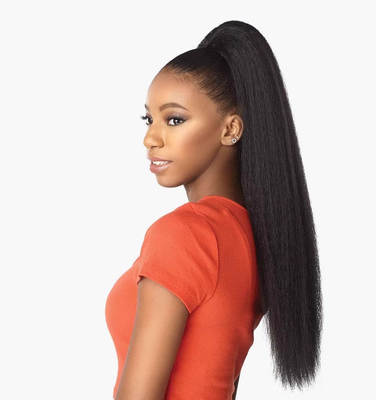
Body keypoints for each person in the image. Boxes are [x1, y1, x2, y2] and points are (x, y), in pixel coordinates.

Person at [105, 20, 322, 400]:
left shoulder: (184, 233)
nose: (151, 138)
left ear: (230, 129)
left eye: (175, 119)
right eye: (149, 119)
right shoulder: (255, 238)